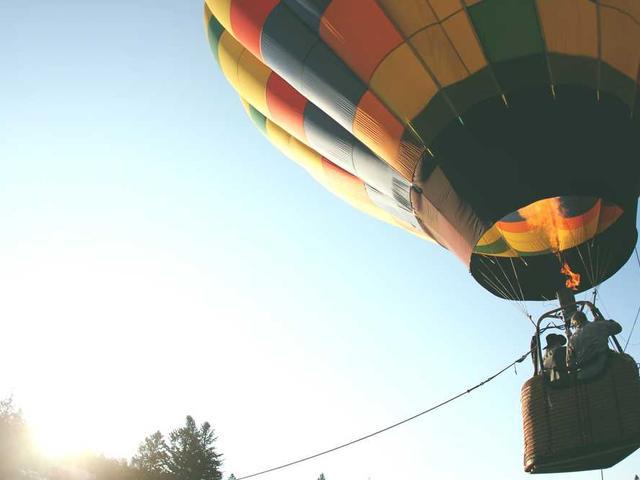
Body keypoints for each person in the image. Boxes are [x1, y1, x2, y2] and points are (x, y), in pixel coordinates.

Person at [566, 310, 622, 380]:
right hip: (604, 366)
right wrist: (605, 321)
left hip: (584, 374)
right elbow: (618, 328)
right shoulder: (599, 325)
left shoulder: (572, 339)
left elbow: (570, 364)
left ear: (575, 324)